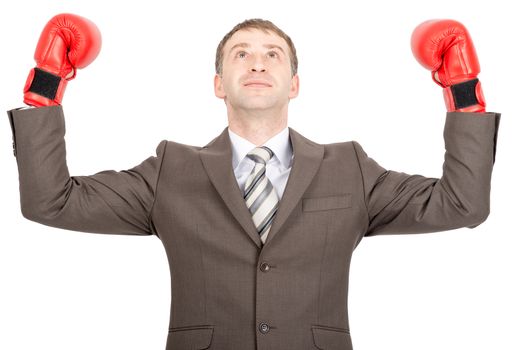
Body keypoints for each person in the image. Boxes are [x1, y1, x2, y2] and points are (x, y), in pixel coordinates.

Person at [7, 13, 500, 350]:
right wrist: (47, 86)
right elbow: (51, 202)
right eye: (241, 54)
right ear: (219, 83)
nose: (258, 62)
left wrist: (462, 92)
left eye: (273, 54)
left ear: (295, 83)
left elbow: (461, 205)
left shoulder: (349, 167)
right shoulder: (169, 169)